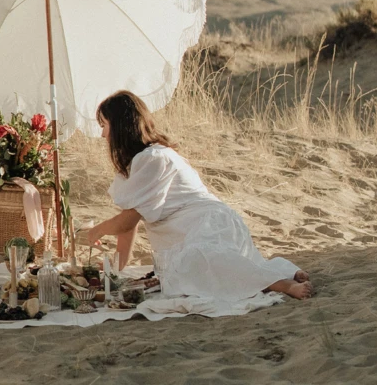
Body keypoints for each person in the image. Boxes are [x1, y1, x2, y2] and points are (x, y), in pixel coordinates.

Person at [87, 90, 313, 301]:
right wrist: (116, 270)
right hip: (194, 231)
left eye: (104, 125)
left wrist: (94, 232)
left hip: (210, 224)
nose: (102, 134)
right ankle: (284, 271)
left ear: (120, 126)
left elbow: (126, 222)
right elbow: (129, 224)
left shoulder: (154, 158)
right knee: (191, 270)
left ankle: (282, 283)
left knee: (198, 264)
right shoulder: (135, 164)